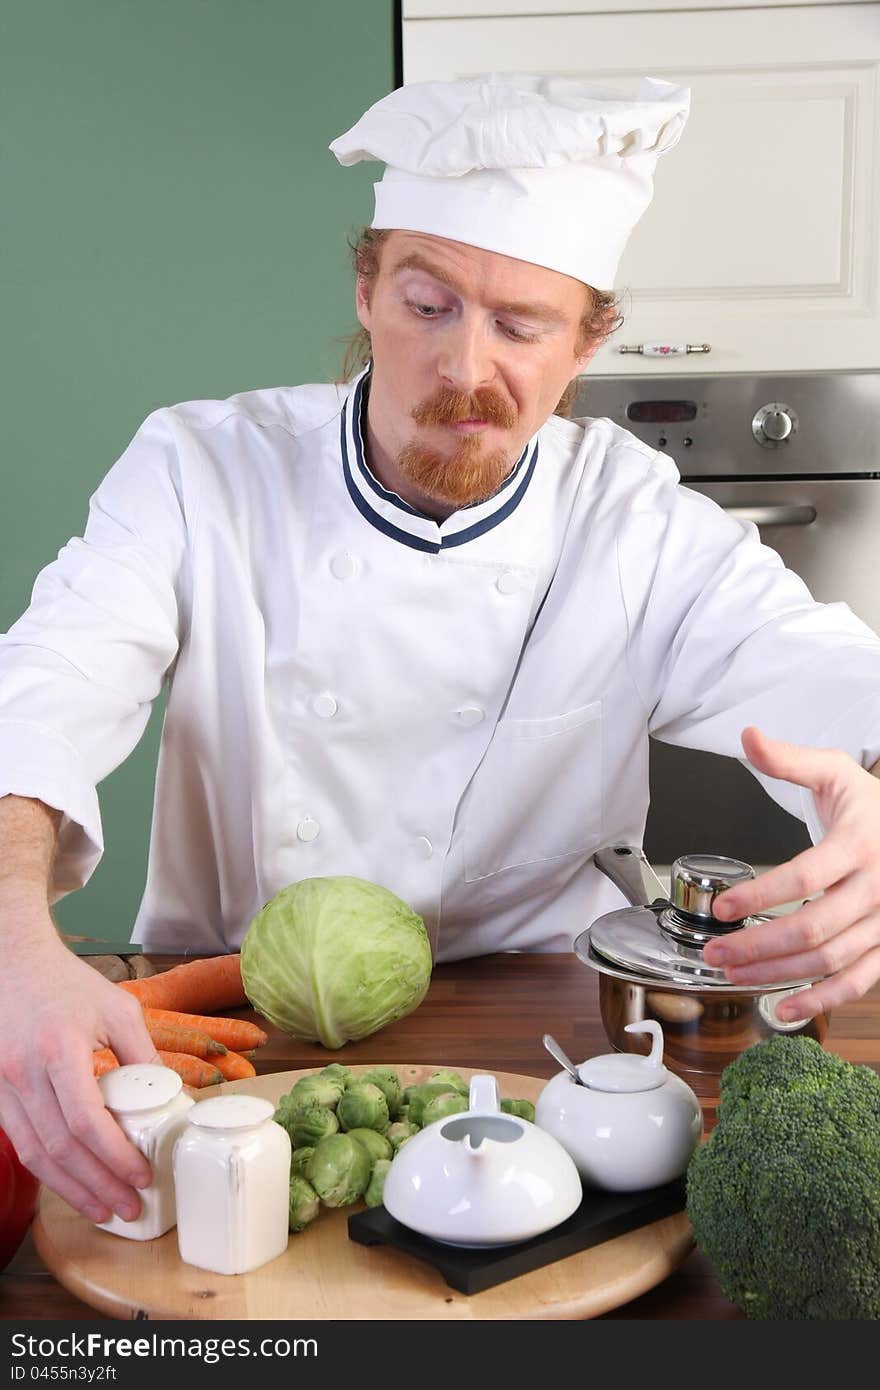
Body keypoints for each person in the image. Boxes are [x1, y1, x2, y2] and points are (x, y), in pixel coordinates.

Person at [2, 74, 880, 1228]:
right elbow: (48, 681)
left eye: (521, 326)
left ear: (588, 342)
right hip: (234, 1042)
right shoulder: (198, 470)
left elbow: (818, 669)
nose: (467, 368)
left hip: (548, 1039)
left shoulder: (632, 519)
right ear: (365, 290)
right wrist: (15, 939)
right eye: (428, 304)